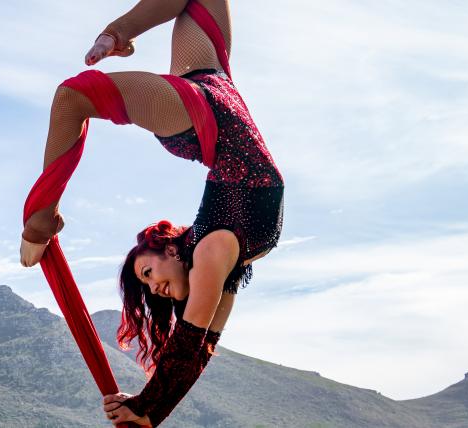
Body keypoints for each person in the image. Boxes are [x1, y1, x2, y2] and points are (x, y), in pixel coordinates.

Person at [20, 0, 284, 426]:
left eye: (146, 276)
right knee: (72, 97)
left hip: (208, 104)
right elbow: (194, 344)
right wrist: (147, 410)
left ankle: (118, 33)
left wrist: (146, 407)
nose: (153, 289)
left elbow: (195, 346)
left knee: (73, 96)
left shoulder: (214, 257)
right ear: (170, 249)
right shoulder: (217, 254)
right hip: (210, 107)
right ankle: (41, 221)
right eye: (149, 276)